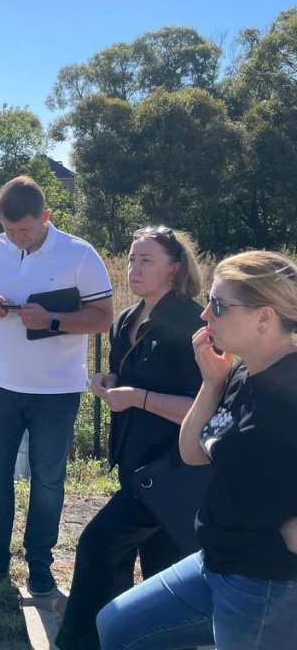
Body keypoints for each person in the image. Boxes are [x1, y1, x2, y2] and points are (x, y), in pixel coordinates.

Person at [97, 250, 297, 650]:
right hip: (215, 562)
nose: (205, 315)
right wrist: (211, 382)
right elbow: (193, 453)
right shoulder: (241, 371)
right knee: (117, 627)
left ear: (265, 316)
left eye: (219, 305)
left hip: (263, 585)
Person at [0, 176, 113, 597]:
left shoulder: (80, 254)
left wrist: (53, 321)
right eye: (9, 229)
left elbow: (103, 318)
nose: (17, 237)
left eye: (25, 229)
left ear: (46, 217)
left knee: (49, 480)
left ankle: (40, 564)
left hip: (57, 391)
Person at [55, 226, 205, 650]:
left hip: (174, 470)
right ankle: (135, 638)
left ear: (174, 270)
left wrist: (136, 398)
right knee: (162, 568)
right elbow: (132, 379)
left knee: (98, 546)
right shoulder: (126, 319)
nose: (134, 269)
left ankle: (80, 640)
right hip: (133, 463)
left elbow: (203, 406)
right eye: (131, 260)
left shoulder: (192, 324)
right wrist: (109, 380)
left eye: (147, 261)